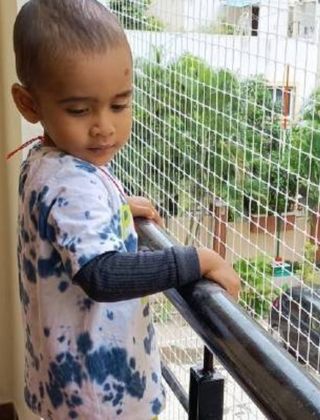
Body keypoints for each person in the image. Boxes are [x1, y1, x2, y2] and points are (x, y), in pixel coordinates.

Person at [10, 0, 240, 419]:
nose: (104, 126)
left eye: (119, 105)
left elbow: (64, 226)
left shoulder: (47, 162)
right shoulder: (70, 181)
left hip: (68, 383)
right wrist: (193, 260)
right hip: (99, 394)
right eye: (79, 110)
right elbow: (101, 273)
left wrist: (115, 207)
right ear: (29, 104)